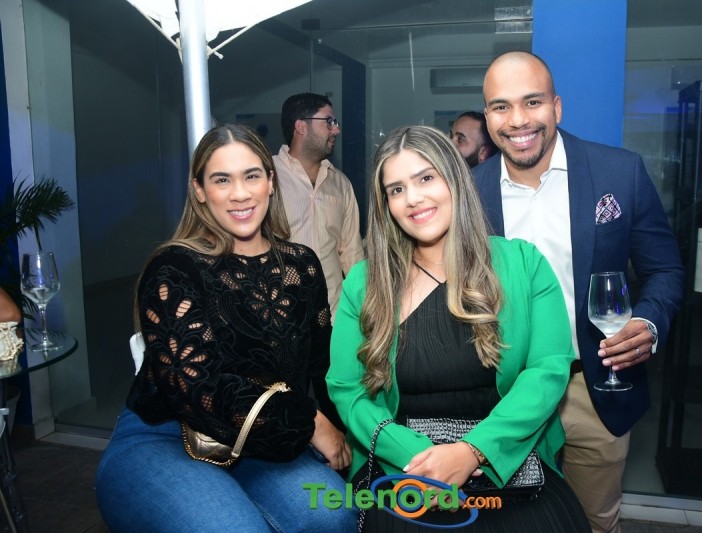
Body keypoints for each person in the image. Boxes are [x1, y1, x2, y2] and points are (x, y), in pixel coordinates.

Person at [327, 125, 590, 531]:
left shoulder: (525, 264)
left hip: (508, 462)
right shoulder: (364, 283)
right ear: (385, 204)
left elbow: (548, 369)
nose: (413, 199)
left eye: (425, 178)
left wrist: (473, 451)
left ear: (455, 180)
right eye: (396, 189)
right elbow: (348, 389)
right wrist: (418, 459)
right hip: (403, 467)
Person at [95, 124, 356, 532]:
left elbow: (322, 367)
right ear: (199, 190)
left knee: (334, 516)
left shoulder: (302, 265)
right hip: (169, 436)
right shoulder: (176, 269)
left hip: (263, 438)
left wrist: (346, 433)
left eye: (251, 175)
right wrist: (310, 423)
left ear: (271, 182)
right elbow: (200, 390)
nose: (240, 193)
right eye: (221, 180)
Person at [474, 51, 684, 533]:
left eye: (532, 102)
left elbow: (665, 269)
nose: (518, 120)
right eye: (502, 106)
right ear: (487, 118)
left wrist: (648, 322)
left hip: (596, 387)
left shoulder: (619, 173)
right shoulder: (468, 192)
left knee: (594, 523)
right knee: (510, 522)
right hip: (504, 394)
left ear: (557, 107)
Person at [274, 92, 364, 320]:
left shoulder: (341, 183)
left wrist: (365, 307)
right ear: (301, 126)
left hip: (335, 317)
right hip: (281, 315)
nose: (337, 129)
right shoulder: (267, 177)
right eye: (329, 121)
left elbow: (352, 253)